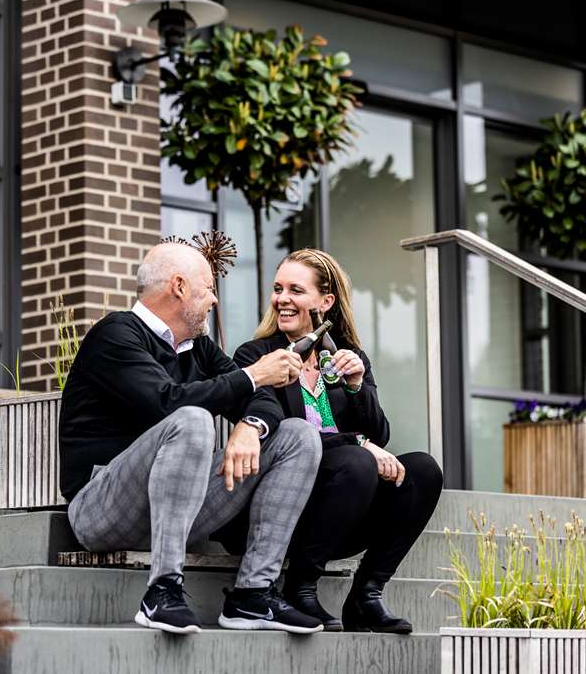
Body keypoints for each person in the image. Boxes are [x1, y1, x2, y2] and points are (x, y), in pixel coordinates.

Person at [59, 242, 324, 635]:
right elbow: (166, 402)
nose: (214, 300)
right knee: (192, 419)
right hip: (102, 510)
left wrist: (250, 426)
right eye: (208, 289)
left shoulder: (198, 348)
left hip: (180, 509)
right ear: (179, 287)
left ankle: (252, 594)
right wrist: (254, 374)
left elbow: (262, 400)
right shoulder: (115, 334)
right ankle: (162, 590)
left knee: (298, 435)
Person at [231, 248, 443, 634]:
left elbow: (379, 435)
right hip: (284, 503)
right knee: (356, 460)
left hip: (343, 506)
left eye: (296, 290)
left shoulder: (345, 356)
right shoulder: (257, 355)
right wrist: (357, 443)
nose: (282, 299)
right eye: (278, 289)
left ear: (325, 302)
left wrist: (358, 385)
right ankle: (300, 587)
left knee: (423, 470)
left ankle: (366, 595)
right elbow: (285, 436)